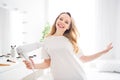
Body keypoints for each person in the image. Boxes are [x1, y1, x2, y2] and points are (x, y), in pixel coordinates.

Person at [23, 12, 113, 80]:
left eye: (66, 22)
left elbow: (84, 59)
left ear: (68, 27)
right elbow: (47, 63)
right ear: (56, 20)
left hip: (77, 76)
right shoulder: (47, 41)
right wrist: (34, 66)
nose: (62, 22)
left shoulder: (70, 41)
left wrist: (104, 51)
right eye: (60, 19)